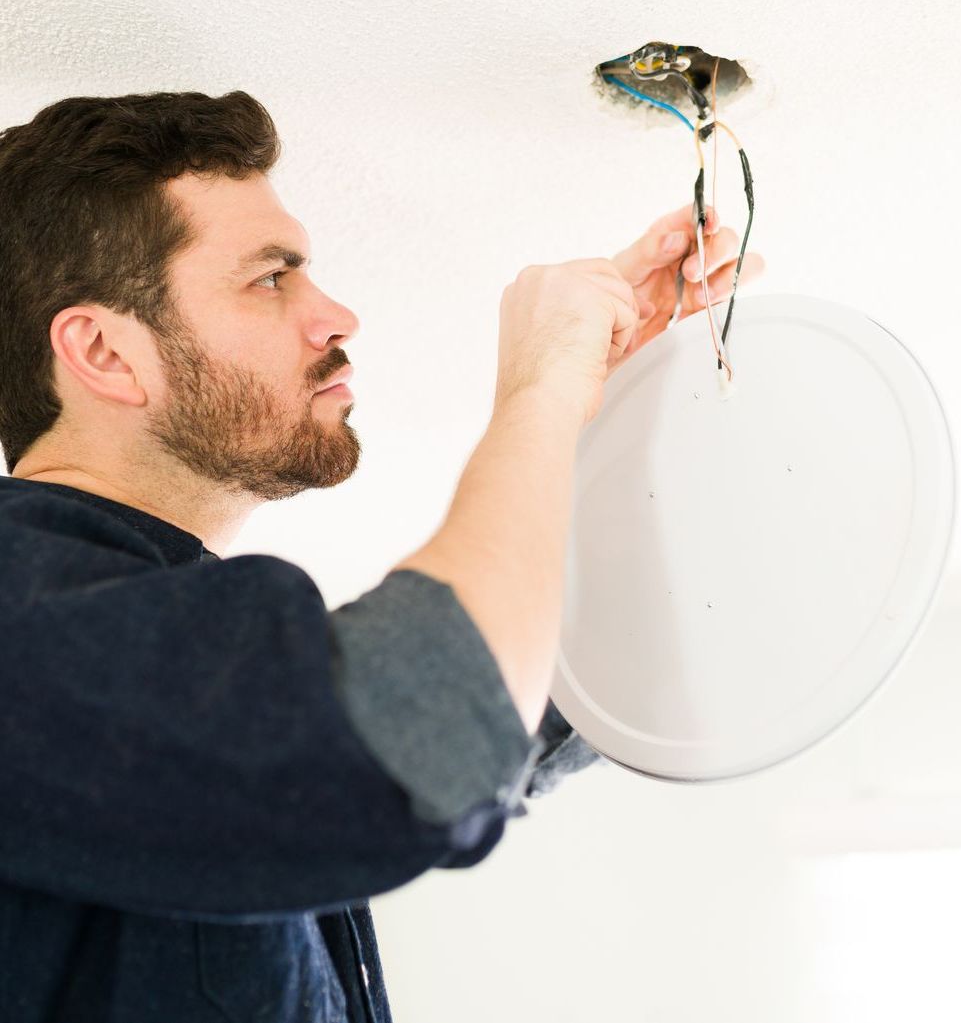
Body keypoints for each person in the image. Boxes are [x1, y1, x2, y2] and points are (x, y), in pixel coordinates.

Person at [0, 90, 765, 1022]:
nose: (338, 315)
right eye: (270, 277)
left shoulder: (155, 665)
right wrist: (539, 392)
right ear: (104, 352)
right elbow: (431, 727)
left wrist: (592, 431)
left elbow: (466, 721)